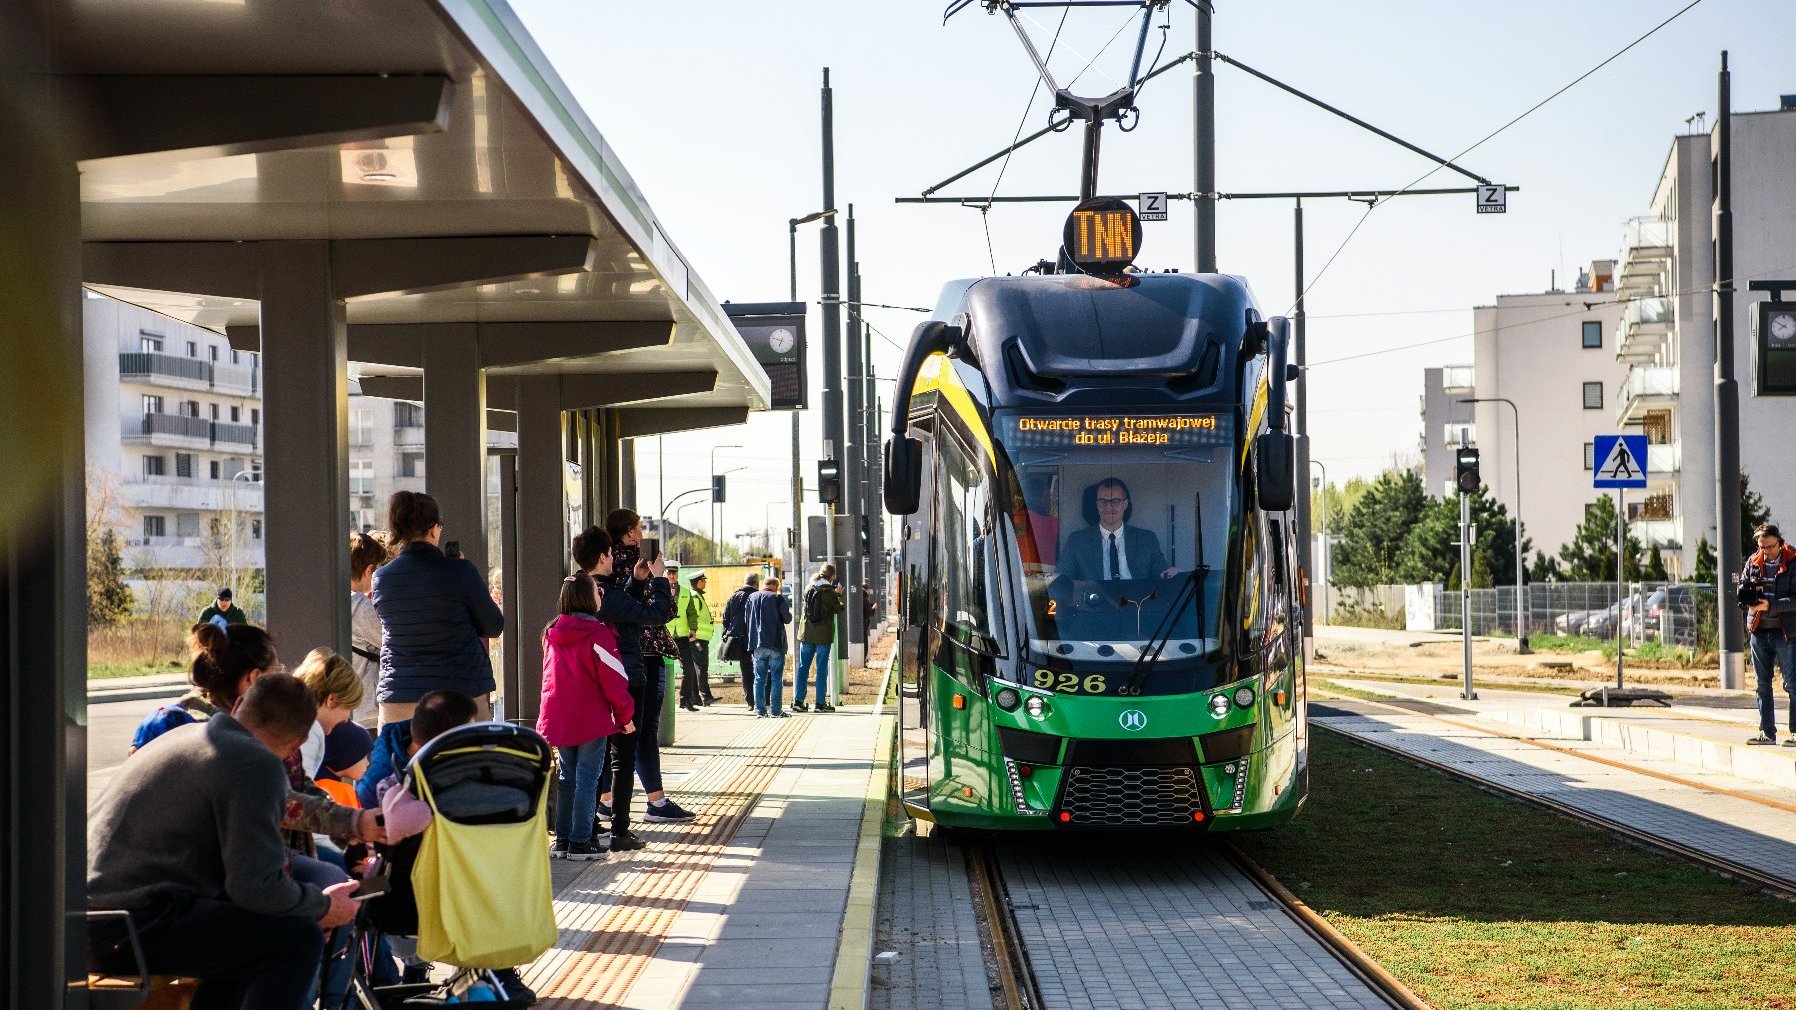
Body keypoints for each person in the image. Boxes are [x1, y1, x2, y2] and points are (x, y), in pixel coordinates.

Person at [87, 673, 359, 1010]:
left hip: (96, 921)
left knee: (249, 937)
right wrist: (322, 906)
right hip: (131, 926)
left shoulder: (189, 737)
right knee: (298, 939)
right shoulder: (254, 763)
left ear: (240, 704)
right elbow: (257, 888)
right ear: (299, 742)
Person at [592, 512, 697, 832]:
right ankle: (654, 802)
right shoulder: (642, 563)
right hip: (644, 654)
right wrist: (661, 577)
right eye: (640, 528)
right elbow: (661, 612)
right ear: (630, 533)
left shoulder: (607, 573)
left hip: (615, 656)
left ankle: (606, 802)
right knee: (640, 732)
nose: (643, 532)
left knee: (618, 733)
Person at [371, 490, 505, 726]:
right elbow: (493, 626)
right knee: (464, 761)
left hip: (400, 695)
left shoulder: (382, 578)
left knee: (401, 762)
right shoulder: (461, 572)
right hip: (461, 694)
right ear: (433, 528)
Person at [538, 573, 635, 861]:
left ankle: (564, 840)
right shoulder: (598, 634)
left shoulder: (551, 633)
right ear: (586, 597)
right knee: (587, 778)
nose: (600, 596)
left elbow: (548, 678)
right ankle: (581, 841)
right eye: (597, 592)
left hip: (559, 716)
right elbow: (615, 680)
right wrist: (625, 715)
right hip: (590, 717)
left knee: (567, 777)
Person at [1057, 476, 1177, 582]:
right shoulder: (1077, 541)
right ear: (1097, 505)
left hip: (1138, 603)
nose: (1109, 508)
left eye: (1115, 501)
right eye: (1103, 502)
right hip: (1095, 603)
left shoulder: (1146, 539)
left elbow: (1161, 574)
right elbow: (1062, 579)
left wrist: (1169, 574)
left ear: (1125, 504)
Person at [1741, 522, 1796, 746]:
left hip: (1785, 632)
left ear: (1779, 542)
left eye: (1769, 547)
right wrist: (1746, 599)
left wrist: (1770, 605)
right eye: (1761, 547)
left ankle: (1795, 733)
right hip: (1758, 631)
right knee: (1762, 684)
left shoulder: (1793, 561)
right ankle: (1767, 732)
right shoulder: (1753, 562)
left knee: (1792, 683)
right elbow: (1744, 590)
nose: (1765, 552)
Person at [294, 647, 365, 778]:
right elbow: (299, 789)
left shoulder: (286, 716)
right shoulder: (309, 730)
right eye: (347, 707)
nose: (346, 719)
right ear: (331, 699)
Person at [348, 530, 390, 725]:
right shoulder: (361, 608)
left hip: (350, 710)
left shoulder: (338, 602)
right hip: (367, 715)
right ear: (368, 570)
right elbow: (391, 640)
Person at [794, 565, 842, 713]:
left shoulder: (808, 588)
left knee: (803, 668)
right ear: (832, 576)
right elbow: (838, 609)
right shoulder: (830, 592)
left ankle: (798, 702)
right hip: (823, 636)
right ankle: (820, 704)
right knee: (821, 669)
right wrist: (839, 594)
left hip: (807, 635)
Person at [747, 576, 793, 718]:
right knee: (776, 678)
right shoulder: (777, 598)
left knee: (759, 679)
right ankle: (776, 711)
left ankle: (760, 711)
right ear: (776, 587)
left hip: (757, 644)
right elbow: (787, 618)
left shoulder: (752, 598)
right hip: (775, 644)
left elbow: (747, 619)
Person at [673, 570, 717, 711]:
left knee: (692, 668)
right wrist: (694, 632)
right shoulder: (695, 597)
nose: (705, 583)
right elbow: (693, 616)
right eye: (704, 580)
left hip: (693, 637)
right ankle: (703, 696)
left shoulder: (693, 595)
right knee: (700, 667)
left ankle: (692, 698)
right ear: (699, 582)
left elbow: (693, 615)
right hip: (695, 638)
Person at [721, 572, 761, 709]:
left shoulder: (733, 596)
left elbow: (725, 618)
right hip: (755, 638)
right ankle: (761, 699)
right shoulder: (757, 596)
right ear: (756, 584)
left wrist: (725, 633)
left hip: (738, 638)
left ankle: (750, 701)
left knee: (746, 669)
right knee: (759, 668)